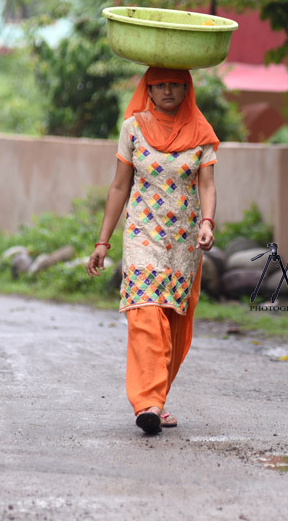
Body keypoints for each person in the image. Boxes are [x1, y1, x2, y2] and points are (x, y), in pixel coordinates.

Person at [86, 67, 219, 435]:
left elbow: (207, 184)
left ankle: (157, 398)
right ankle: (147, 403)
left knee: (175, 321)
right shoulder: (133, 128)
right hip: (142, 234)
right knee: (145, 312)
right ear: (148, 88)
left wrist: (207, 222)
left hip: (184, 241)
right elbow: (119, 187)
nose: (167, 91)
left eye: (175, 84)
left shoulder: (201, 133)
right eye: (159, 84)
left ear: (186, 88)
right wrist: (102, 242)